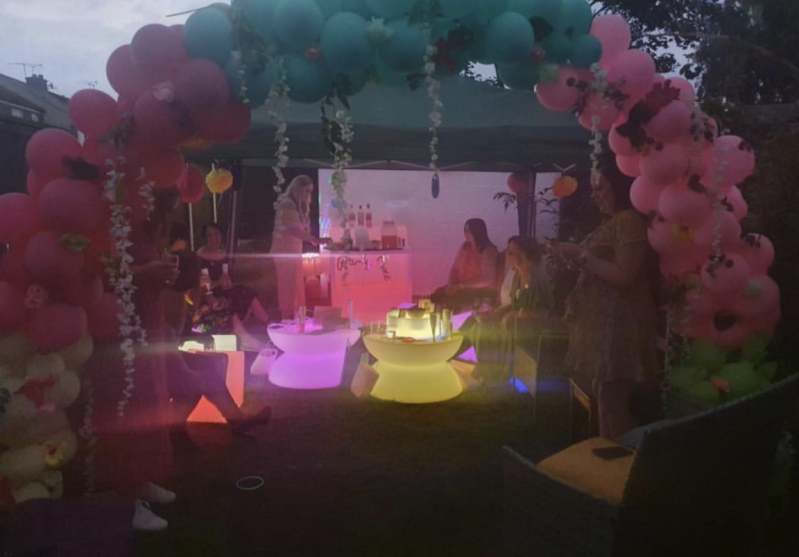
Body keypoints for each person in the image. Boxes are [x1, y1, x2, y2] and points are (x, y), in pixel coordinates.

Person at [84, 190, 181, 532]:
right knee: (125, 403)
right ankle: (124, 499)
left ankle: (139, 480)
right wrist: (143, 273)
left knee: (149, 398)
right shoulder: (109, 206)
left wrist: (159, 273)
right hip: (118, 323)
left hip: (147, 317)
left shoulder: (146, 214)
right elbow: (95, 271)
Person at [549, 153, 658, 439]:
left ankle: (624, 459)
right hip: (604, 326)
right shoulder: (613, 222)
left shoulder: (629, 221)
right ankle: (604, 451)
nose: (594, 195)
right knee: (602, 391)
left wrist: (583, 256)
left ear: (618, 188)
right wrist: (572, 258)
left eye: (600, 188)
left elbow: (625, 275)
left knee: (613, 397)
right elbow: (599, 267)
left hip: (622, 324)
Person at [464, 236, 556, 384]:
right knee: (478, 327)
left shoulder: (536, 279)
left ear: (525, 254)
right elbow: (515, 303)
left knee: (483, 330)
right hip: (514, 322)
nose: (508, 254)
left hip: (527, 328)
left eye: (513, 251)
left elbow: (543, 313)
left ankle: (495, 376)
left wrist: (517, 314)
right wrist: (496, 313)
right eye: (509, 250)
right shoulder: (517, 276)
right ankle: (487, 370)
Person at [190, 223, 270, 349]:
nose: (213, 238)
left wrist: (227, 283)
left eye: (216, 235)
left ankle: (270, 325)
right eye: (209, 235)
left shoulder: (224, 255)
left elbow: (227, 278)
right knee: (225, 305)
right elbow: (203, 287)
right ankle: (245, 339)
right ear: (205, 238)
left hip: (223, 291)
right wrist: (218, 283)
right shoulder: (199, 257)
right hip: (208, 297)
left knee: (246, 291)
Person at [270, 175, 330, 320]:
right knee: (288, 288)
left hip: (292, 251)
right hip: (285, 252)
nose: (308, 195)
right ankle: (287, 320)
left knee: (295, 287)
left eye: (310, 192)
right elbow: (293, 230)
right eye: (306, 191)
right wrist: (315, 239)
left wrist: (313, 239)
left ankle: (296, 319)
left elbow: (299, 231)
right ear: (298, 189)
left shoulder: (296, 205)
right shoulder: (288, 204)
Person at [431, 218, 500, 311]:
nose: (465, 233)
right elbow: (455, 268)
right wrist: (451, 285)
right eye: (465, 230)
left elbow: (486, 279)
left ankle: (457, 317)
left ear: (477, 232)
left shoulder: (488, 250)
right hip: (460, 286)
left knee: (459, 299)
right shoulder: (465, 246)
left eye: (468, 231)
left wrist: (461, 286)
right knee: (437, 294)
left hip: (479, 289)